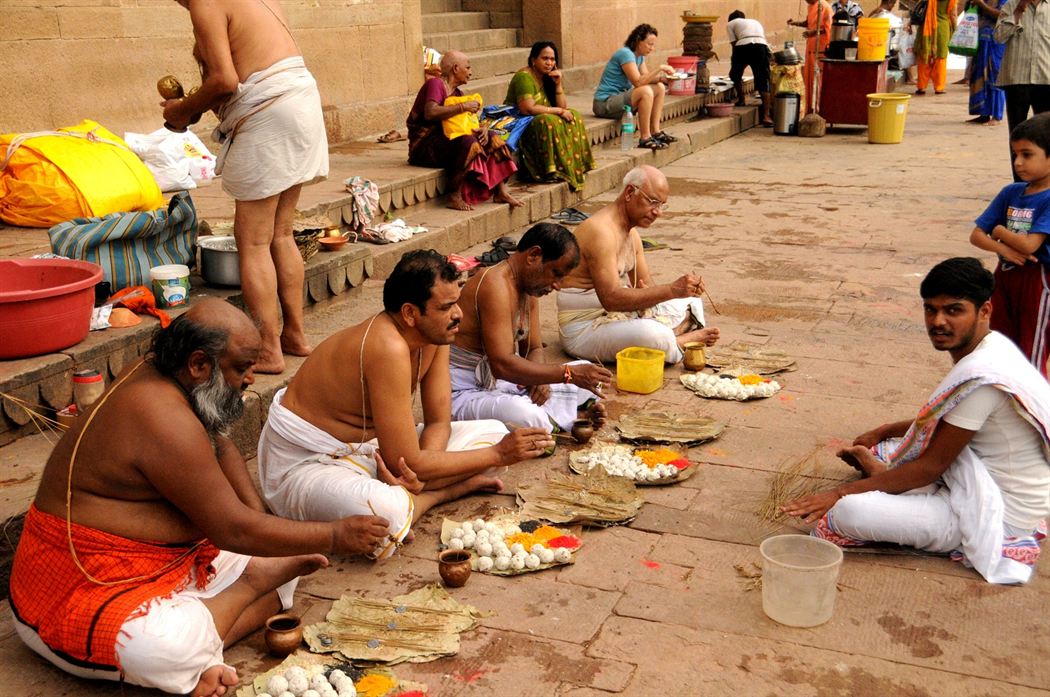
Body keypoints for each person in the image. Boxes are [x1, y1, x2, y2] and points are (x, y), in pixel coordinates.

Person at [9, 299, 388, 697]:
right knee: (165, 650)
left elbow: (219, 442)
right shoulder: (162, 416)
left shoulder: (168, 373)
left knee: (282, 553)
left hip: (169, 560)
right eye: (242, 367)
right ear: (199, 365)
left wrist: (262, 519)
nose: (251, 378)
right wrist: (333, 535)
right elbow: (233, 530)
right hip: (81, 582)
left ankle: (211, 636)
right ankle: (237, 603)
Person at [258, 250, 554, 554]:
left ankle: (415, 493)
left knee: (493, 431)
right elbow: (407, 460)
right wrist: (497, 454)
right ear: (410, 314)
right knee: (388, 515)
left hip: (371, 451)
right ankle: (438, 496)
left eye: (456, 302)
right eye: (446, 307)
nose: (458, 315)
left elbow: (439, 422)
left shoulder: (436, 335)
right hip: (307, 464)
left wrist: (420, 475)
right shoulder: (387, 346)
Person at [783, 258, 1050, 584]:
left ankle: (884, 482)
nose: (938, 322)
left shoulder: (983, 377)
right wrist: (884, 430)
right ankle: (885, 477)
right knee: (894, 447)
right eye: (930, 310)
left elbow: (930, 467)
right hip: (979, 477)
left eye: (954, 310)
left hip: (998, 515)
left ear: (984, 311)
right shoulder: (993, 347)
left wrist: (840, 493)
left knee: (849, 512)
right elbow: (944, 424)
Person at [162, 0, 328, 375]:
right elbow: (236, 78)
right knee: (281, 233)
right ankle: (294, 335)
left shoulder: (205, 2)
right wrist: (190, 107)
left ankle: (269, 350)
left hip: (271, 112)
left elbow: (225, 80)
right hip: (299, 102)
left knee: (253, 241)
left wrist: (179, 112)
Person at [450, 223, 613, 434]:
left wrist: (540, 382)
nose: (557, 286)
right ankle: (575, 417)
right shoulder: (494, 284)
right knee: (528, 416)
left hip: (504, 383)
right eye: (555, 273)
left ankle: (566, 415)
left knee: (587, 371)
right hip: (465, 392)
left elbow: (534, 348)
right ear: (533, 256)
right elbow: (502, 366)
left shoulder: (529, 288)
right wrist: (567, 374)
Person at [556, 165, 720, 364]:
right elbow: (611, 299)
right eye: (653, 202)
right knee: (653, 334)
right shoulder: (601, 232)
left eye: (662, 205)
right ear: (629, 193)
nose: (658, 212)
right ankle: (678, 340)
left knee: (692, 302)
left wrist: (662, 294)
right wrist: (671, 290)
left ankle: (671, 338)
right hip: (585, 329)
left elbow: (646, 284)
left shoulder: (631, 234)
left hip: (621, 316)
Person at [968, 113, 1050, 377]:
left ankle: (1032, 399)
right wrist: (1002, 248)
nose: (1018, 163)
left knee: (1031, 349)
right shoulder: (1011, 192)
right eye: (1015, 155)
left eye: (1027, 155)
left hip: (1038, 281)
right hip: (1004, 275)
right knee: (998, 340)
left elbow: (1030, 245)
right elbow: (976, 235)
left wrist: (999, 231)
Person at [407, 50, 523, 211]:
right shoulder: (436, 84)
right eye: (467, 68)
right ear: (455, 68)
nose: (470, 72)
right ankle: (454, 195)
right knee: (469, 143)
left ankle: (500, 191)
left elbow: (466, 123)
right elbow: (430, 112)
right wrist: (463, 107)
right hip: (423, 147)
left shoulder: (457, 93)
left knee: (492, 137)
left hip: (445, 141)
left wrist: (482, 129)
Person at [504, 42, 596, 191]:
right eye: (545, 58)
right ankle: (549, 169)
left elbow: (563, 106)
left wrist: (558, 84)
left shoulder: (547, 77)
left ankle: (574, 164)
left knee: (574, 115)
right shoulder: (524, 77)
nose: (549, 63)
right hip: (520, 122)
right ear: (533, 60)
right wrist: (558, 111)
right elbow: (527, 108)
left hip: (536, 117)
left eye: (552, 59)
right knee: (548, 120)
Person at [592, 24, 677, 151]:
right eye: (649, 44)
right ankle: (645, 138)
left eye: (653, 45)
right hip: (604, 103)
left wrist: (663, 79)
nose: (652, 48)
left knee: (659, 87)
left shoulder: (639, 56)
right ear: (638, 41)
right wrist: (660, 68)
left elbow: (646, 78)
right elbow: (638, 82)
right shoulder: (625, 54)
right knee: (645, 91)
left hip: (619, 99)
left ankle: (655, 132)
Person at [995, 0, 1050, 180]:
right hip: (1016, 79)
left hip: (1046, 78)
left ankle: (1044, 181)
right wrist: (1018, 11)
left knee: (1046, 134)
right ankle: (1019, 183)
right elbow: (999, 37)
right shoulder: (1011, 5)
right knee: (1017, 132)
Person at [726, 10, 773, 127]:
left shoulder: (730, 24)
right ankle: (766, 116)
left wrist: (736, 63)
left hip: (743, 46)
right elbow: (761, 39)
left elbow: (734, 44)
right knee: (762, 79)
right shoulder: (755, 22)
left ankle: (741, 99)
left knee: (735, 74)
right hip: (761, 46)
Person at [968, 0, 1008, 122]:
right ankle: (983, 113)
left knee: (994, 76)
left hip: (995, 41)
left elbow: (1002, 15)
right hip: (981, 40)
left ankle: (996, 115)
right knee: (979, 75)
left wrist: (982, 5)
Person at [788, 0, 833, 108]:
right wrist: (795, 23)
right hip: (811, 47)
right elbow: (808, 23)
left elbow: (827, 27)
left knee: (818, 78)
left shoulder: (823, 6)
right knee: (809, 77)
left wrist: (813, 32)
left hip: (820, 47)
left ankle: (818, 106)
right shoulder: (811, 6)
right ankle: (810, 107)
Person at [913, 0, 958, 95]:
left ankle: (921, 87)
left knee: (925, 55)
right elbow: (953, 15)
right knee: (941, 57)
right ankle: (939, 87)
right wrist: (955, 29)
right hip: (943, 28)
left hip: (927, 27)